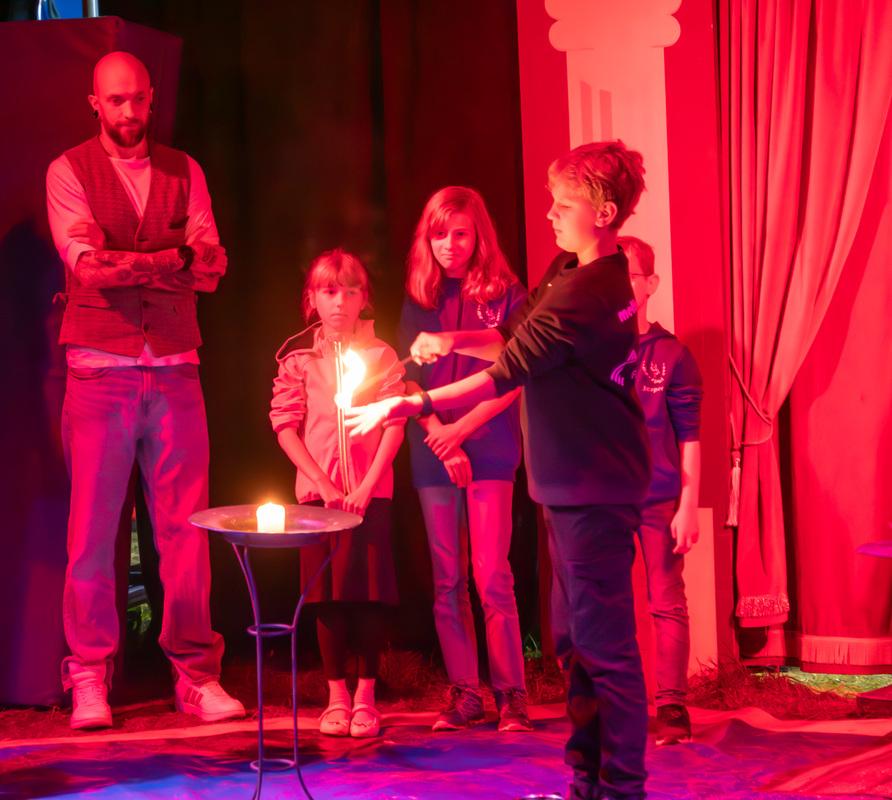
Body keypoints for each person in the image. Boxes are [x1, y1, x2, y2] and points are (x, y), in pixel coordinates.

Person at [346, 141, 652, 800]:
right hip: (571, 488)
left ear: (603, 214)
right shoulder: (571, 270)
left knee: (604, 650)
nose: (550, 214)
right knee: (575, 643)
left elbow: (508, 370)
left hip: (595, 487)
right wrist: (450, 342)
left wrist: (415, 402)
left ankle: (619, 790)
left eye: (563, 205)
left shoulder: (591, 291)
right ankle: (588, 784)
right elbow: (513, 335)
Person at [45, 52, 244, 730]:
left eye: (137, 99)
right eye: (115, 100)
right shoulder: (69, 170)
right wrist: (173, 258)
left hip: (176, 367)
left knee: (187, 532)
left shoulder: (185, 171)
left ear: (152, 98)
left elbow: (212, 268)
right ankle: (89, 676)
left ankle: (196, 676)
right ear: (94, 104)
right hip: (99, 371)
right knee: (92, 533)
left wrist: (168, 262)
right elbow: (88, 268)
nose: (128, 112)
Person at [398, 186, 531, 733]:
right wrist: (440, 435)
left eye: (460, 234)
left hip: (489, 443)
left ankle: (512, 695)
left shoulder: (507, 294)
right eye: (439, 234)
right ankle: (465, 692)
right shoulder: (419, 297)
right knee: (447, 577)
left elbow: (516, 368)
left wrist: (463, 429)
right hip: (435, 448)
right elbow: (408, 380)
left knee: (491, 573)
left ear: (479, 236)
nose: (449, 245)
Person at [269, 248, 406, 739]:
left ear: (364, 298)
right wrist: (324, 485)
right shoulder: (298, 360)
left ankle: (366, 696)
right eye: (329, 292)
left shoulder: (382, 356)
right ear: (312, 298)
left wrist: (367, 487)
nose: (340, 302)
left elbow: (395, 423)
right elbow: (285, 426)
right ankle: (336, 696)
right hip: (318, 500)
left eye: (350, 292)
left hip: (371, 495)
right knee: (326, 596)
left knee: (367, 595)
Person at [619, 235, 702, 746]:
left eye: (629, 276)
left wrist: (688, 504)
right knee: (605, 604)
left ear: (650, 284)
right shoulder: (591, 353)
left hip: (657, 497)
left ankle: (671, 705)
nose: (619, 287)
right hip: (605, 499)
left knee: (666, 599)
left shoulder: (671, 354)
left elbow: (689, 434)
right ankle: (615, 703)